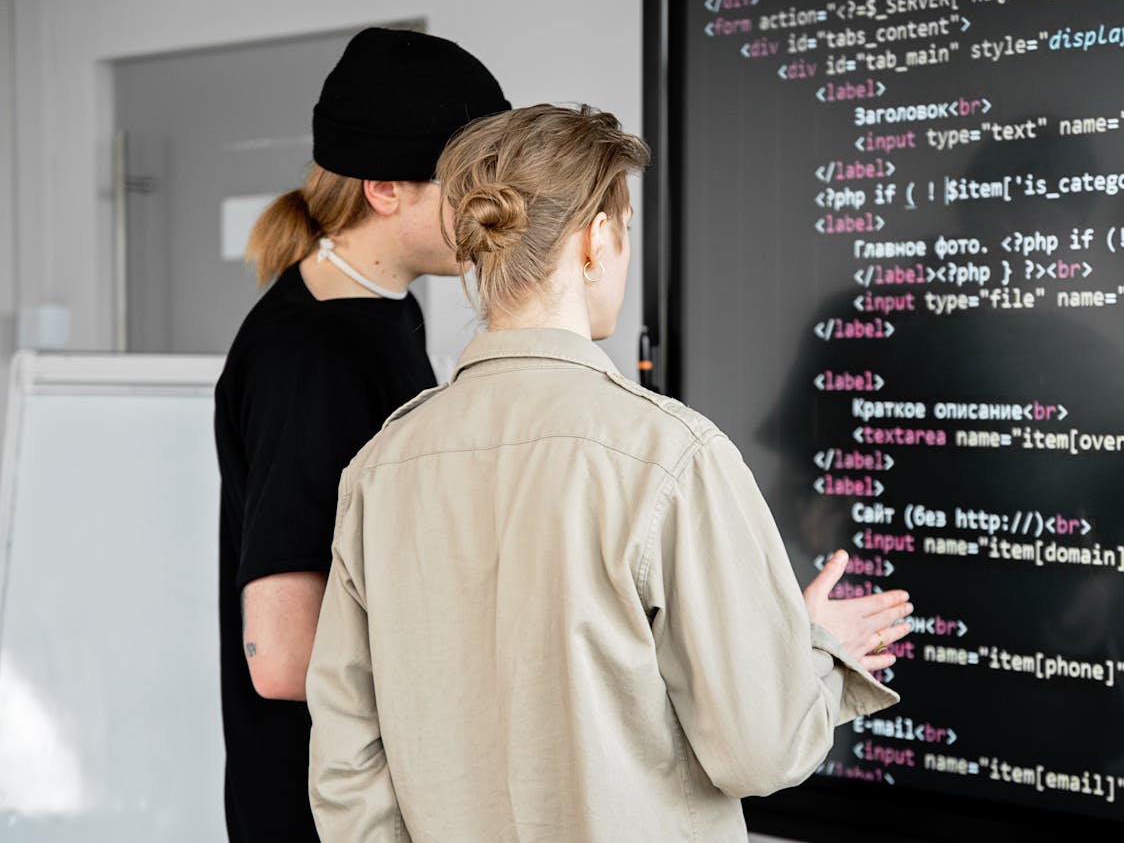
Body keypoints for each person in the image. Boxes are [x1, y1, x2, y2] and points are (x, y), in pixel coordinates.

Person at [305, 104, 911, 842]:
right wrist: (806, 651)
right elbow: (760, 751)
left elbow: (345, 771)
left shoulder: (379, 469)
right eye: (624, 232)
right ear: (595, 242)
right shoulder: (673, 456)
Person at [213, 28, 508, 843]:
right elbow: (282, 657)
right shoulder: (310, 354)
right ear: (384, 190)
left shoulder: (383, 313)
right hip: (325, 813)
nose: (499, 208)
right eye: (474, 184)